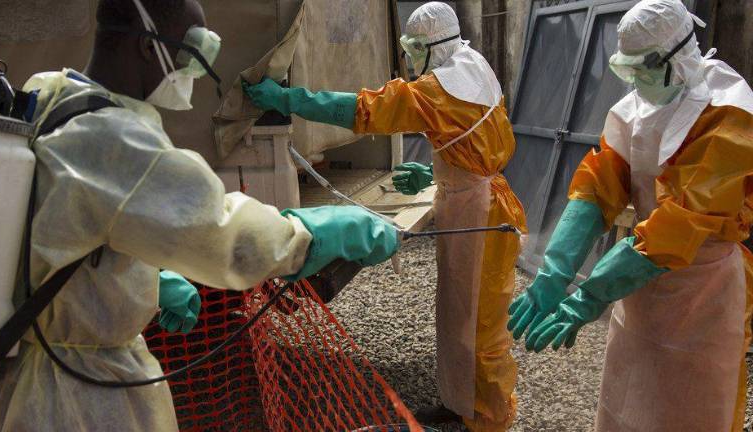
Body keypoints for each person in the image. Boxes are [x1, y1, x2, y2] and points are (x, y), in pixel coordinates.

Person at [0, 0, 399, 430]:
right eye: (189, 55)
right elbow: (227, 236)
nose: (193, 74)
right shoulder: (116, 140)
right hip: (76, 397)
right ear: (149, 47)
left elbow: (60, 220)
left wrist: (144, 276)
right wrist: (312, 232)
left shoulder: (49, 96)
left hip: (15, 372)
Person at [245, 3, 526, 431]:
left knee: (480, 323)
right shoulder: (474, 68)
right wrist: (437, 172)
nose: (412, 56)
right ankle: (461, 404)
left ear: (431, 45)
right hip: (476, 197)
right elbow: (480, 141)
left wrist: (288, 99)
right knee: (456, 311)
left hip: (481, 212)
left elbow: (361, 111)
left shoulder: (437, 91)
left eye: (414, 47)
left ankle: (487, 420)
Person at [508, 1, 753, 430]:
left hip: (703, 287)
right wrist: (554, 270)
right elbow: (597, 185)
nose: (636, 81)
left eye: (643, 68)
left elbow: (681, 221)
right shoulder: (638, 105)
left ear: (677, 57)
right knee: (629, 403)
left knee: (692, 410)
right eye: (629, 69)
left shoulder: (729, 114)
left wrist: (590, 295)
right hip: (640, 284)